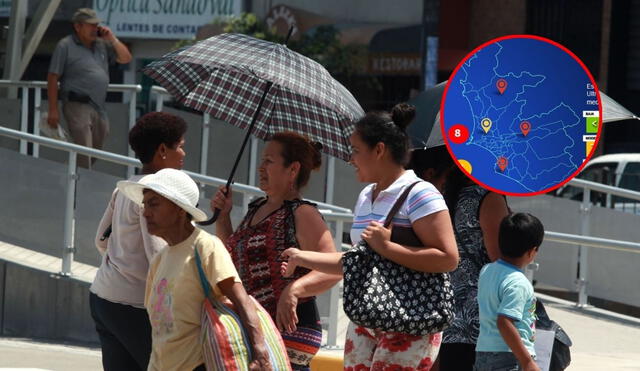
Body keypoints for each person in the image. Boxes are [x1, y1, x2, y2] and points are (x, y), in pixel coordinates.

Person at [281, 103, 459, 370]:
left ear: (379, 150)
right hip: (367, 317)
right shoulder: (366, 196)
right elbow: (359, 260)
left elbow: (448, 259)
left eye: (355, 150)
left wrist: (386, 247)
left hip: (412, 320)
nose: (350, 159)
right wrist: (301, 256)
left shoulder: (422, 194)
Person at [211, 131, 342, 370]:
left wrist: (293, 290)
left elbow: (334, 268)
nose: (261, 167)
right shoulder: (256, 207)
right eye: (262, 160)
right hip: (258, 323)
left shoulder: (302, 213)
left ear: (293, 169)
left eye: (269, 161)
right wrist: (223, 216)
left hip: (290, 326)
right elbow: (234, 257)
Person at [117, 169, 272, 371]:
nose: (145, 212)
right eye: (145, 204)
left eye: (154, 204)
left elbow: (242, 301)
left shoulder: (205, 247)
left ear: (180, 209)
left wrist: (260, 353)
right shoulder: (159, 260)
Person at [91, 112, 187, 371]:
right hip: (134, 308)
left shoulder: (124, 187)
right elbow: (159, 257)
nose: (183, 154)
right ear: (162, 150)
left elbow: (101, 240)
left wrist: (123, 262)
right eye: (180, 147)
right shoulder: (156, 195)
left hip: (103, 298)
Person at [436, 166, 510, 371]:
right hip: (480, 318)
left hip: (449, 312)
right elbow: (500, 260)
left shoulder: (447, 194)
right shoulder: (488, 198)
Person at [47, 8, 132, 168]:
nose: (95, 29)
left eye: (96, 25)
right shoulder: (65, 45)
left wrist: (112, 38)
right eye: (90, 25)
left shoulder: (101, 45)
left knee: (95, 150)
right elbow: (53, 77)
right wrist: (53, 109)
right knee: (84, 148)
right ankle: (81, 185)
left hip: (99, 106)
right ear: (78, 27)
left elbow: (126, 58)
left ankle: (70, 172)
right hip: (76, 103)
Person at [474, 213, 543, 371]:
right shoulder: (518, 282)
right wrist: (527, 362)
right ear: (532, 252)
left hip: (483, 352)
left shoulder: (487, 270)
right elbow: (504, 322)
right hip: (509, 356)